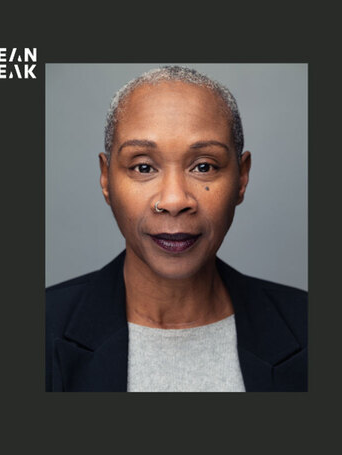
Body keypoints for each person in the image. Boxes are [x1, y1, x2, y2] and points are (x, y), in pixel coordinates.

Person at [46, 66, 307, 392]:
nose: (173, 200)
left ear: (241, 178)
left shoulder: (306, 325)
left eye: (204, 166)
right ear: (106, 178)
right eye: (143, 167)